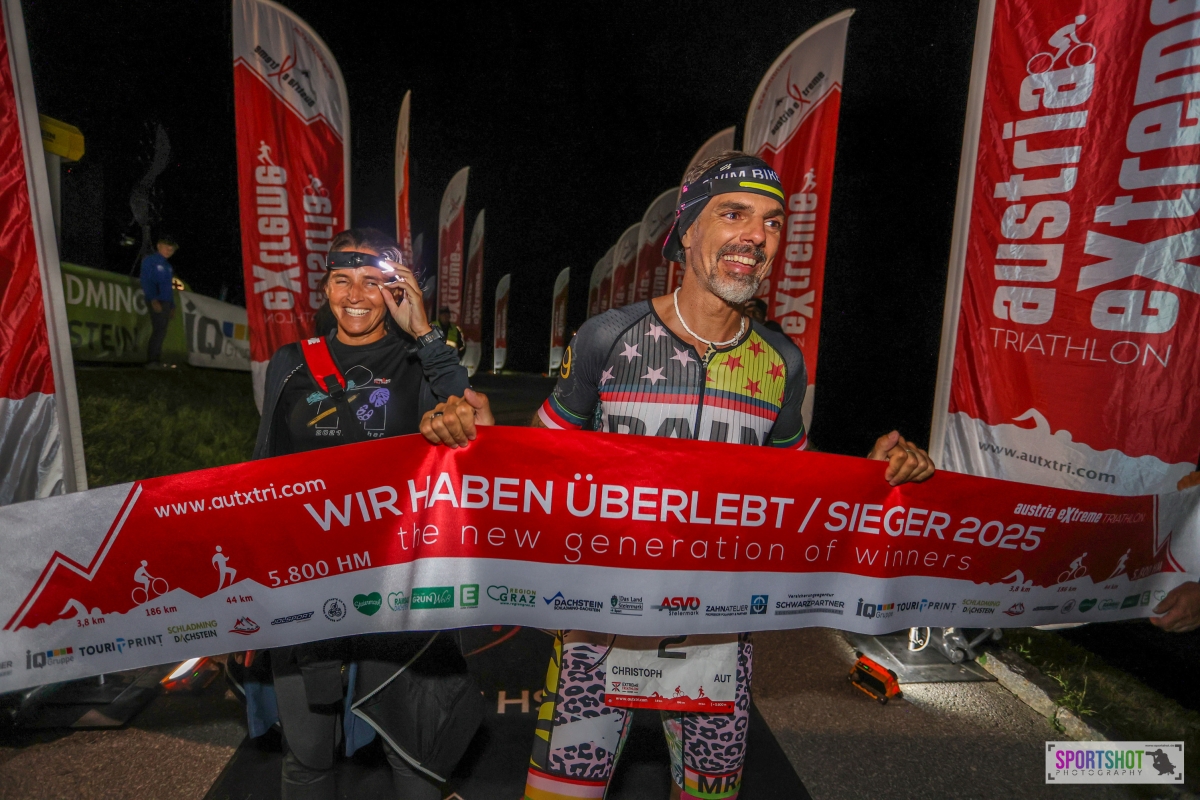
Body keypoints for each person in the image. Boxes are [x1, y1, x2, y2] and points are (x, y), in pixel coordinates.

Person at [419, 152, 936, 799]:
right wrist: (483, 441)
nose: (757, 235)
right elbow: (542, 466)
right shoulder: (608, 337)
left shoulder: (781, 362)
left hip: (716, 636)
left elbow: (797, 489)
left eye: (773, 222)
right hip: (597, 629)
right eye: (734, 214)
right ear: (687, 231)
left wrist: (874, 476)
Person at [253, 228, 477, 800]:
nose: (355, 295)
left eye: (373, 283)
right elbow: (263, 467)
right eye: (342, 280)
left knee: (412, 750)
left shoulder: (416, 359)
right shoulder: (290, 363)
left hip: (394, 578)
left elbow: (468, 416)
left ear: (396, 290)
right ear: (325, 288)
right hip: (307, 577)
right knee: (306, 755)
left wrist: (424, 331)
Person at [140, 234, 178, 369]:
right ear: (159, 246)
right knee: (158, 329)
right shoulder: (150, 261)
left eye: (171, 250)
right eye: (166, 248)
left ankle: (155, 359)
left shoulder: (168, 266)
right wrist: (153, 299)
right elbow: (146, 280)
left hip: (166, 301)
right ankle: (152, 360)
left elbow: (168, 287)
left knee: (161, 330)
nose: (169, 251)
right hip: (157, 299)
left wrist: (172, 305)